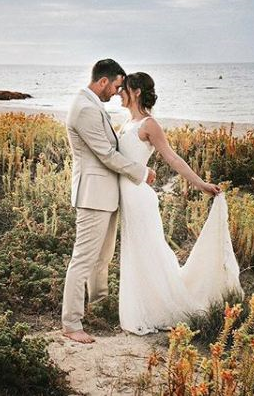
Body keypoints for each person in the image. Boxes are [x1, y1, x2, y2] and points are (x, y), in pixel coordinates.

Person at [117, 72, 243, 335]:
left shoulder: (149, 124)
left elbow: (173, 158)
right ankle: (144, 306)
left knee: (149, 252)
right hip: (127, 197)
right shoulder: (127, 123)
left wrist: (201, 184)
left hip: (139, 199)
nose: (119, 93)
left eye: (124, 89)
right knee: (138, 254)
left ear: (136, 92)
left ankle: (160, 309)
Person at [61, 59, 157, 344]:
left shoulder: (92, 105)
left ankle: (98, 307)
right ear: (103, 81)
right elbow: (106, 154)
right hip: (93, 195)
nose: (117, 92)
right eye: (116, 86)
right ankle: (71, 323)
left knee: (101, 259)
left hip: (105, 195)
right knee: (83, 259)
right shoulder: (86, 108)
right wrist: (142, 172)